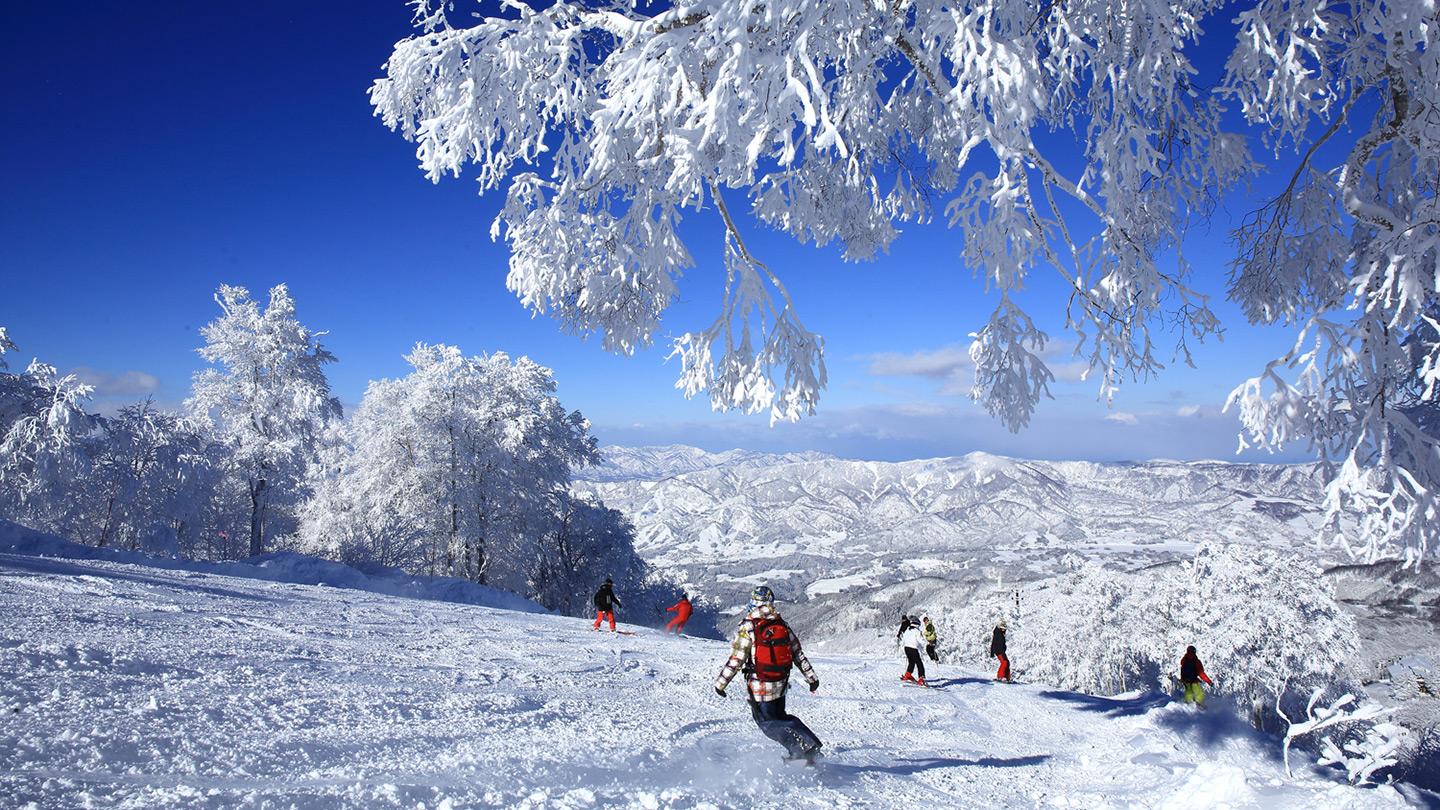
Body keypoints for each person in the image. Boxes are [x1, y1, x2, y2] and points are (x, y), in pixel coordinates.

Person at [714, 585, 823, 763]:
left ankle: (800, 751)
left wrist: (721, 683)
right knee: (781, 717)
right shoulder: (781, 624)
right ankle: (809, 744)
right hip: (780, 683)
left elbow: (737, 659)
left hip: (760, 687)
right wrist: (812, 678)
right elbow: (798, 654)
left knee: (767, 723)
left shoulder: (749, 627)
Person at [899, 615, 927, 685]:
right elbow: (921, 641)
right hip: (913, 648)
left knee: (911, 662)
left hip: (906, 648)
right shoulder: (917, 631)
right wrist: (926, 643)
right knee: (919, 663)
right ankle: (921, 678)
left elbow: (903, 639)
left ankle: (908, 674)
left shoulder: (907, 630)